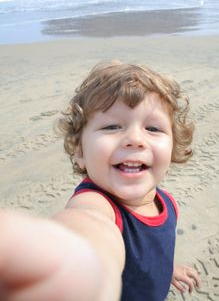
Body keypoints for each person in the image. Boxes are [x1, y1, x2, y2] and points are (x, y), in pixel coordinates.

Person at [0, 61, 200, 301]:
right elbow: (89, 225)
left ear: (173, 146)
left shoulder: (165, 200)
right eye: (112, 126)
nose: (135, 139)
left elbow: (153, 250)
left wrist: (168, 269)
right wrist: (78, 263)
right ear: (80, 151)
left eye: (153, 128)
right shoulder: (96, 204)